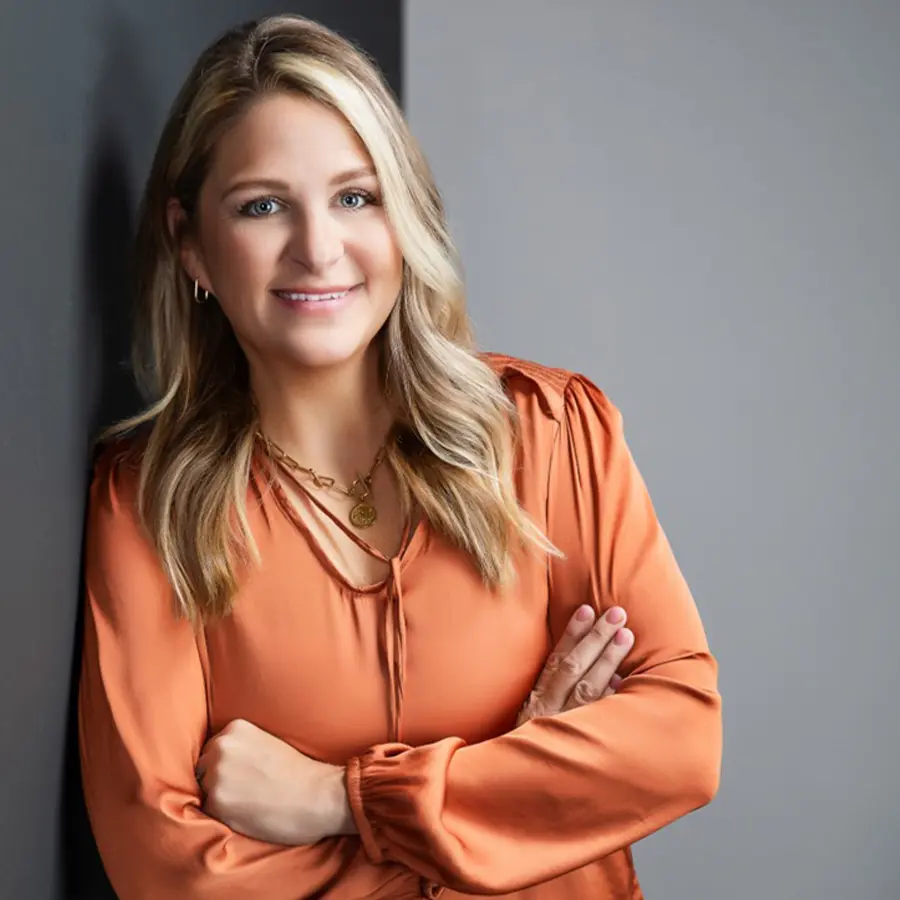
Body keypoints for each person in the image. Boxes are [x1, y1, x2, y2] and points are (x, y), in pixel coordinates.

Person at [77, 13, 722, 900]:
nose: (319, 247)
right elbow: (171, 873)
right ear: (191, 242)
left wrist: (341, 799)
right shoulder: (149, 509)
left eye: (357, 196)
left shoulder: (552, 434)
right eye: (262, 205)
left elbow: (680, 742)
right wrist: (517, 786)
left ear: (404, 214)